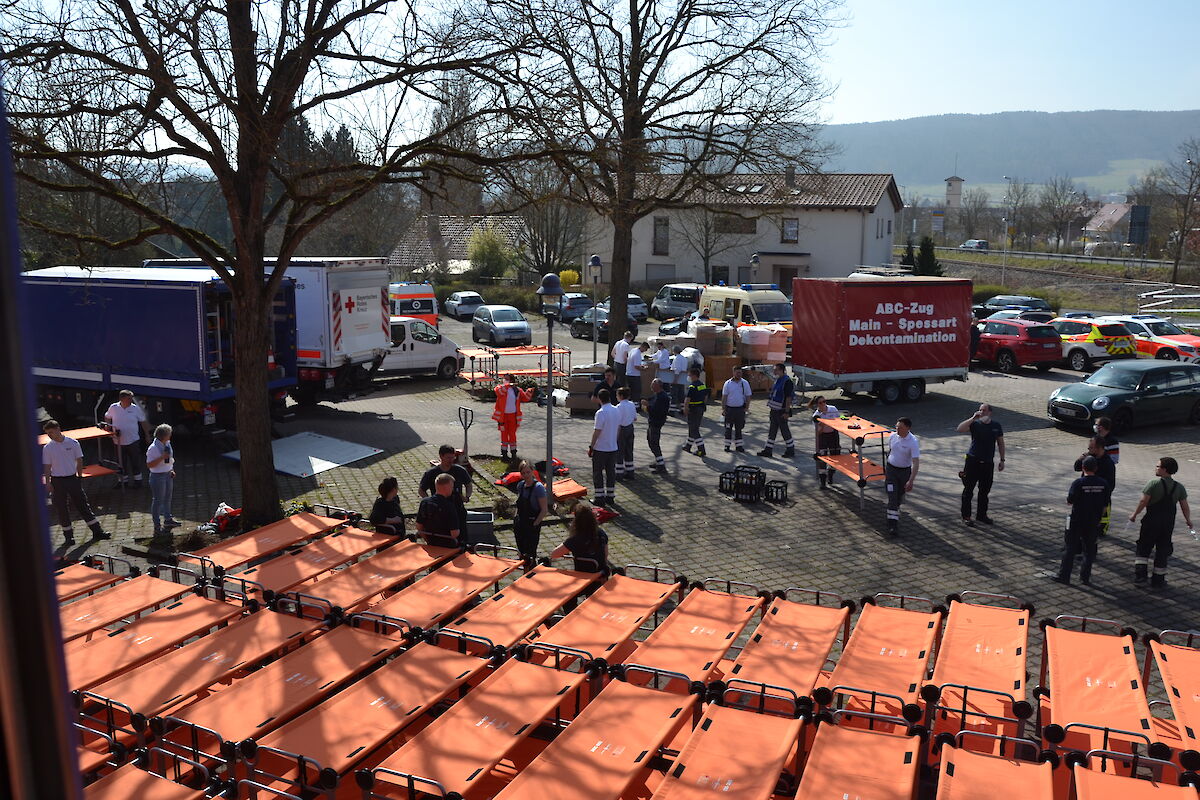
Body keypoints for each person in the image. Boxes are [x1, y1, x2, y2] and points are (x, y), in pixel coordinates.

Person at [1129, 457, 1193, 589]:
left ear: (1164, 469)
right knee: (1163, 550)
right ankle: (1158, 580)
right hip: (1167, 524)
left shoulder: (1153, 484)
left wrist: (1135, 514)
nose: (1156, 468)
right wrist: (1188, 520)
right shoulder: (1179, 487)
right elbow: (1184, 506)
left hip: (1151, 522)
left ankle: (1140, 578)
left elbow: (1143, 501)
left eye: (1158, 466)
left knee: (1143, 548)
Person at [41, 419, 107, 541]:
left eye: (51, 432)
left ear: (58, 429)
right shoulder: (48, 448)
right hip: (57, 481)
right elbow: (47, 466)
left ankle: (97, 531)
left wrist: (80, 476)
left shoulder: (73, 443)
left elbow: (79, 460)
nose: (49, 435)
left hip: (72, 478)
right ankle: (68, 537)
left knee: (83, 505)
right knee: (61, 508)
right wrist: (48, 482)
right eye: (47, 433)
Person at [1054, 456, 1109, 586]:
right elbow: (1105, 505)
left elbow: (1070, 500)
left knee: (1070, 548)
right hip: (1093, 521)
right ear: (1096, 468)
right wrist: (1099, 519)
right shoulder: (1104, 483)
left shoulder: (1078, 483)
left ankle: (1064, 576)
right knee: (1089, 551)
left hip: (1077, 520)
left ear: (1083, 468)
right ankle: (1085, 578)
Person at [956, 403, 1005, 526]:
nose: (981, 412)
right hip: (973, 462)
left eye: (984, 410)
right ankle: (966, 516)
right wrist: (973, 418)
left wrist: (1002, 460)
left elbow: (1001, 443)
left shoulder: (996, 426)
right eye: (980, 410)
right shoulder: (975, 424)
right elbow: (960, 429)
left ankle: (981, 515)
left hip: (988, 463)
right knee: (968, 490)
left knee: (984, 491)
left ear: (990, 412)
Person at [419, 444, 472, 542]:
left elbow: (468, 484)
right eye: (448, 458)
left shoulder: (459, 470)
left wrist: (467, 496)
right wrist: (429, 500)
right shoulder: (431, 473)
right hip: (439, 511)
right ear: (441, 456)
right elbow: (421, 490)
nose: (451, 460)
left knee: (462, 537)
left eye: (453, 457)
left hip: (457, 509)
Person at [104, 389, 151, 486]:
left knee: (135, 462)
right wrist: (108, 427)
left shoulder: (135, 408)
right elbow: (107, 417)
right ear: (122, 399)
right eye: (129, 398)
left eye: (131, 398)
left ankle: (138, 481)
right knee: (121, 463)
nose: (131, 400)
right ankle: (122, 481)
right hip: (118, 441)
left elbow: (143, 421)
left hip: (133, 440)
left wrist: (147, 435)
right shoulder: (113, 407)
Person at [549, 502, 609, 574]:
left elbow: (554, 554)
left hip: (583, 577)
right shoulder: (601, 533)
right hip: (600, 574)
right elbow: (605, 554)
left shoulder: (576, 539)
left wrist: (566, 549)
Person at [884, 418, 920, 536]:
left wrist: (911, 480)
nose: (897, 430)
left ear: (908, 428)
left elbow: (915, 462)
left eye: (900, 428)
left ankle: (893, 513)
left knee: (898, 497)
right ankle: (892, 525)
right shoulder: (893, 436)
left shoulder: (913, 442)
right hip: (891, 470)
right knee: (892, 496)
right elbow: (890, 450)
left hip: (904, 472)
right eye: (896, 427)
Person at [1073, 436, 1115, 535]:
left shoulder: (1108, 463)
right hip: (1087, 497)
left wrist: (1102, 497)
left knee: (1099, 529)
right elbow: (1077, 467)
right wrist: (1082, 458)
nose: (1088, 450)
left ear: (1099, 448)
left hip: (1099, 500)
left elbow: (1111, 485)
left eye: (1091, 448)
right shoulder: (1089, 458)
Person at [145, 423, 179, 536]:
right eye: (169, 434)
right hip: (158, 477)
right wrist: (161, 458)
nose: (170, 436)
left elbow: (170, 458)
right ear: (164, 436)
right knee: (158, 500)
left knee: (167, 498)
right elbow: (149, 465)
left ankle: (168, 520)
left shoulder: (167, 443)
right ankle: (157, 526)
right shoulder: (153, 448)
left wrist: (171, 469)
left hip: (168, 474)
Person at [589, 388, 621, 507]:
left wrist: (591, 446)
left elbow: (597, 431)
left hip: (601, 448)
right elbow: (618, 428)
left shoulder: (601, 413)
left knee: (597, 473)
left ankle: (599, 497)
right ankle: (610, 496)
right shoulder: (616, 410)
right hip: (613, 447)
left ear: (599, 399)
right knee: (611, 472)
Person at [513, 460, 548, 560]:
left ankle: (531, 570)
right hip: (520, 523)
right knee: (521, 551)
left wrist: (535, 524)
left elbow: (544, 510)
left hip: (532, 523)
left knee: (530, 553)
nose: (526, 475)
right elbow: (518, 504)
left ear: (532, 471)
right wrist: (516, 518)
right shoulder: (520, 486)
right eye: (523, 473)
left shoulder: (539, 488)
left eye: (528, 472)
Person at [492, 374, 533, 460]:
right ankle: (504, 453)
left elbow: (525, 398)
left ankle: (513, 453)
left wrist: (529, 391)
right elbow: (498, 391)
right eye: (504, 379)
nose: (505, 380)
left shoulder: (517, 390)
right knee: (504, 435)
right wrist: (507, 385)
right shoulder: (501, 388)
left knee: (512, 435)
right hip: (503, 417)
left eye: (507, 379)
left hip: (513, 416)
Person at [758, 364, 795, 458]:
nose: (774, 372)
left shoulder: (787, 382)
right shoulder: (778, 380)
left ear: (782, 370)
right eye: (774, 370)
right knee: (772, 431)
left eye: (776, 370)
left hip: (781, 411)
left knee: (784, 431)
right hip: (774, 410)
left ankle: (790, 450)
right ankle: (768, 450)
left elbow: (788, 398)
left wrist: (786, 412)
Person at [415, 473, 461, 545]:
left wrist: (427, 540)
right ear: (447, 487)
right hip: (447, 545)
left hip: (430, 542)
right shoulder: (449, 506)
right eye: (452, 486)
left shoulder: (425, 502)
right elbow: (454, 533)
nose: (452, 489)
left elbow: (419, 526)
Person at [810, 395, 841, 489]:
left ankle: (831, 474)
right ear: (817, 405)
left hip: (833, 434)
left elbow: (839, 420)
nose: (823, 404)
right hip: (823, 436)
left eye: (824, 401)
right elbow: (817, 433)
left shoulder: (833, 409)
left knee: (836, 456)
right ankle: (822, 481)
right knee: (822, 458)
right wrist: (822, 426)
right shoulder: (816, 416)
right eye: (820, 403)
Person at [721, 366, 752, 453]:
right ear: (733, 373)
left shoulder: (744, 383)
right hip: (729, 410)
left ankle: (739, 446)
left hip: (740, 410)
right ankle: (727, 445)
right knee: (728, 428)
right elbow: (724, 397)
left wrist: (747, 408)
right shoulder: (728, 383)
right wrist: (723, 408)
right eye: (737, 372)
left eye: (740, 372)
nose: (739, 374)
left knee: (739, 429)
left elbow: (748, 396)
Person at [643, 378, 671, 472]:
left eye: (653, 384)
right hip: (652, 422)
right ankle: (659, 461)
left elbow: (658, 411)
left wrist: (648, 406)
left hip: (656, 423)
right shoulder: (657, 395)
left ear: (658, 386)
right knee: (651, 442)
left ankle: (661, 466)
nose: (651, 386)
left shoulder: (662, 398)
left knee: (654, 443)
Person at [683, 366, 709, 458]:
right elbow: (706, 397)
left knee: (694, 430)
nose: (688, 376)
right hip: (700, 409)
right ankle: (688, 446)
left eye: (689, 375)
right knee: (693, 428)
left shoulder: (692, 386)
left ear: (694, 375)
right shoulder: (702, 385)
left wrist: (685, 409)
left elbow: (687, 400)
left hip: (693, 410)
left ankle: (701, 450)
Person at [615, 386, 638, 478]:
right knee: (629, 450)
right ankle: (630, 471)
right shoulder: (632, 404)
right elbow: (635, 418)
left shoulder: (618, 407)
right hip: (630, 427)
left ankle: (619, 473)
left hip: (621, 429)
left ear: (620, 396)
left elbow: (617, 420)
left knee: (620, 451)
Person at [624, 340, 645, 404]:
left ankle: (630, 403)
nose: (645, 351)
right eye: (645, 349)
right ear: (643, 347)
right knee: (636, 390)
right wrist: (644, 369)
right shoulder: (637, 354)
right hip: (634, 375)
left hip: (629, 373)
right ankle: (636, 405)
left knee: (630, 390)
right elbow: (636, 366)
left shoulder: (633, 350)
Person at [669, 345, 689, 411]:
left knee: (674, 394)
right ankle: (682, 409)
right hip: (682, 379)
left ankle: (672, 409)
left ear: (674, 351)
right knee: (681, 394)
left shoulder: (677, 358)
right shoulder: (684, 358)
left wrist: (675, 379)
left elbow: (677, 370)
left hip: (677, 378)